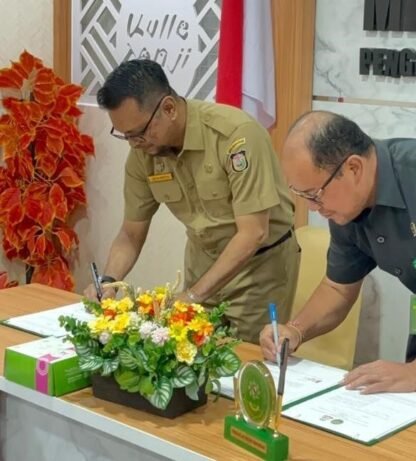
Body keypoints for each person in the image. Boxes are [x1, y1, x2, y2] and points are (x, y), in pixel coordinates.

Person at [260, 110, 416, 417]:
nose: (313, 208)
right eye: (302, 195)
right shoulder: (345, 208)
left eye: (314, 195)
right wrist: (295, 331)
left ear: (353, 168)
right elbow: (338, 289)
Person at [84, 59, 300, 344]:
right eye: (126, 136)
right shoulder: (143, 152)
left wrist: (193, 295)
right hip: (203, 263)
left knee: (245, 359)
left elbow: (253, 233)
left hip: (259, 269)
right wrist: (109, 281)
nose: (135, 144)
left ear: (169, 108)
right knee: (189, 354)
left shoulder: (235, 135)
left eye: (140, 133)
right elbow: (130, 234)